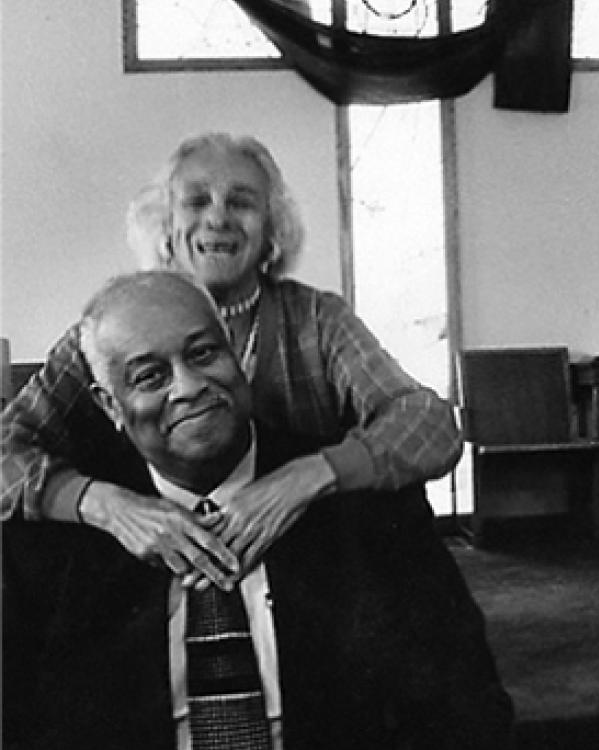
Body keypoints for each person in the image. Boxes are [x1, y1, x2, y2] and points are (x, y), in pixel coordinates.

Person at [2, 271, 513, 750]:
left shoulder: (372, 512)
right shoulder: (55, 545)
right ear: (109, 406)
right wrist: (103, 506)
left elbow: (468, 712)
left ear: (239, 358)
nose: (188, 386)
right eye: (150, 376)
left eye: (203, 354)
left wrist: (305, 482)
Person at [0, 131, 462, 589]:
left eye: (241, 202)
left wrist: (304, 477)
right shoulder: (106, 333)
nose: (217, 218)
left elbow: (430, 426)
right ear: (164, 225)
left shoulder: (318, 321)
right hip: (145, 584)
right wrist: (105, 505)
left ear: (272, 230)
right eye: (196, 202)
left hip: (306, 574)